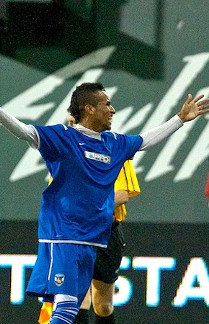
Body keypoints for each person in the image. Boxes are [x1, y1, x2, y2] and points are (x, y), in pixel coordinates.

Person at [0, 81, 209, 324]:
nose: (112, 110)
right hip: (63, 235)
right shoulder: (63, 137)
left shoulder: (113, 143)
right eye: (107, 104)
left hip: (92, 239)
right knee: (63, 308)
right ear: (88, 109)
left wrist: (179, 119)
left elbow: (145, 141)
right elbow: (26, 132)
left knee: (70, 309)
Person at [38, 113, 141, 324]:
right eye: (68, 121)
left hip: (106, 232)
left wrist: (85, 207)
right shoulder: (64, 155)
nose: (68, 125)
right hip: (73, 234)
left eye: (72, 120)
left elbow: (121, 195)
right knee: (77, 300)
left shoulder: (114, 148)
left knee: (103, 304)